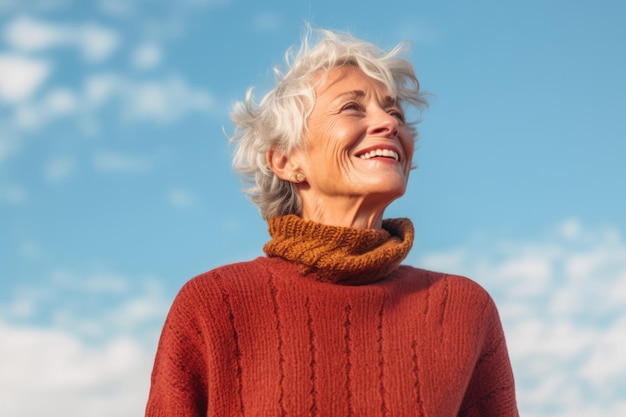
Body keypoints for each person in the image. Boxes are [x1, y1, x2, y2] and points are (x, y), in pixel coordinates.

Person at [146, 27, 518, 417]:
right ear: (286, 160)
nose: (390, 124)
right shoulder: (212, 305)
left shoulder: (463, 309)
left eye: (395, 112)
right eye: (353, 108)